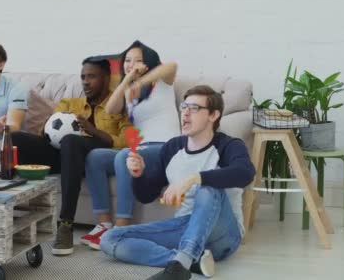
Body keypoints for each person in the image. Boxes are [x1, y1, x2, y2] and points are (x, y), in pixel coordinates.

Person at [100, 85, 255, 280]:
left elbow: (246, 173)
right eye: (184, 107)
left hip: (223, 234)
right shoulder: (173, 148)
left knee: (207, 188)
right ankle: (188, 261)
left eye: (195, 108)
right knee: (110, 238)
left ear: (213, 115)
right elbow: (146, 195)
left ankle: (180, 266)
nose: (186, 114)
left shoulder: (228, 146)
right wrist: (138, 175)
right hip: (184, 229)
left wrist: (194, 178)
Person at [11, 57, 132, 256]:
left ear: (106, 78)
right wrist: (50, 124)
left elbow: (124, 141)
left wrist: (94, 132)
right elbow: (48, 132)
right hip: (63, 157)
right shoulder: (69, 103)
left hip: (93, 161)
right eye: (83, 77)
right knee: (15, 139)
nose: (85, 81)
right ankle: (17, 216)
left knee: (71, 141)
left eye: (92, 76)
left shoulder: (117, 107)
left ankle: (66, 224)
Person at [81, 40, 179, 250]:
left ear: (149, 63)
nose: (131, 64)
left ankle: (122, 228)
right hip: (141, 149)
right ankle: (104, 224)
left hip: (165, 147)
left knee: (124, 155)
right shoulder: (128, 91)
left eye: (138, 60)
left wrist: (140, 81)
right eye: (127, 60)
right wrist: (127, 81)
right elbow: (110, 109)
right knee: (95, 157)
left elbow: (172, 66)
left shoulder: (163, 83)